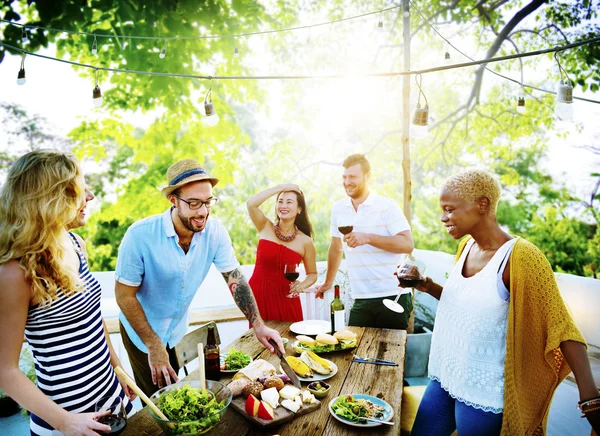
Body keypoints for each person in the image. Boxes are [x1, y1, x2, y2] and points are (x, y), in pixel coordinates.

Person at [408, 169, 600, 436]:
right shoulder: (466, 247)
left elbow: (562, 328)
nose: (443, 218)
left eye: (450, 209)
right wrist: (427, 285)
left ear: (482, 205)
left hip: (483, 392)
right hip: (445, 375)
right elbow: (466, 304)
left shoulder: (521, 257)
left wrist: (590, 401)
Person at [115, 158, 284, 397]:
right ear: (173, 200)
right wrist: (154, 345)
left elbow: (234, 278)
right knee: (161, 401)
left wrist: (258, 325)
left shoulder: (215, 231)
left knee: (176, 392)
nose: (203, 211)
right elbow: (124, 297)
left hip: (176, 329)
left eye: (208, 202)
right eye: (194, 203)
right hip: (141, 331)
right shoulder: (139, 236)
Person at [0, 150, 135, 436]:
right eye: (78, 188)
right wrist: (65, 422)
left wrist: (118, 369)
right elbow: (5, 371)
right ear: (50, 199)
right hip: (67, 423)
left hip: (112, 402)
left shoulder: (75, 243)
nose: (90, 196)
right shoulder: (14, 271)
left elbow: (92, 319)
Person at [316, 153, 415, 329]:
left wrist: (367, 237)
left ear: (367, 177)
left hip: (392, 295)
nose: (347, 182)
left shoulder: (387, 206)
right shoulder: (339, 208)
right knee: (356, 353)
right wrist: (328, 282)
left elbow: (407, 244)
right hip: (360, 297)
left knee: (391, 355)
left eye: (353, 176)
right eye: (344, 177)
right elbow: (335, 247)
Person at [247, 184, 318, 322]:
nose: (283, 205)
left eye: (289, 202)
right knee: (260, 343)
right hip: (259, 297)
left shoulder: (305, 241)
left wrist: (302, 285)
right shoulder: (264, 226)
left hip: (287, 298)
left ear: (299, 209)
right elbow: (251, 204)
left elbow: (313, 274)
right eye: (280, 201)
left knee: (291, 340)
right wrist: (281, 187)